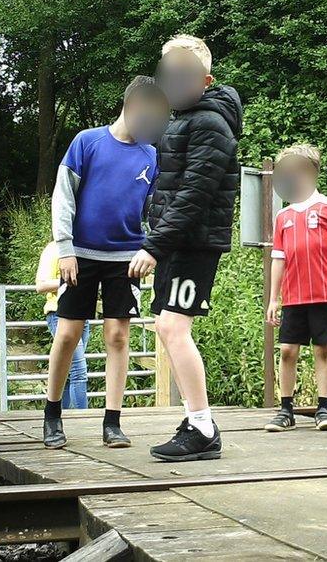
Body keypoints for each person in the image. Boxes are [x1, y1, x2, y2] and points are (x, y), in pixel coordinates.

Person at [127, 34, 242, 462]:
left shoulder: (210, 124)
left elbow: (194, 194)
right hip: (177, 242)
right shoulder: (184, 120)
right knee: (166, 328)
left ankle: (202, 425)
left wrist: (154, 246)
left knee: (174, 328)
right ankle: (196, 420)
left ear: (205, 80)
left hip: (192, 244)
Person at [43, 75, 168, 450]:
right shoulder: (87, 141)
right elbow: (62, 197)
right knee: (67, 334)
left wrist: (153, 249)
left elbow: (154, 210)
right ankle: (52, 414)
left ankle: (112, 422)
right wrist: (64, 248)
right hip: (79, 254)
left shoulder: (151, 154)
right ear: (128, 106)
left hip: (126, 257)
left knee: (118, 335)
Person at [264, 144, 327, 432]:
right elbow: (278, 259)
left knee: (322, 350)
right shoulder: (283, 216)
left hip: (325, 293)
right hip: (293, 296)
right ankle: (285, 409)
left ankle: (324, 408)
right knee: (288, 350)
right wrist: (273, 299)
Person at [36, 240, 91, 409]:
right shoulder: (54, 249)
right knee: (79, 372)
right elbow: (41, 285)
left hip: (82, 314)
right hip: (59, 313)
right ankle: (85, 419)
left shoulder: (85, 247)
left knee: (67, 371)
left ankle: (62, 416)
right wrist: (68, 279)